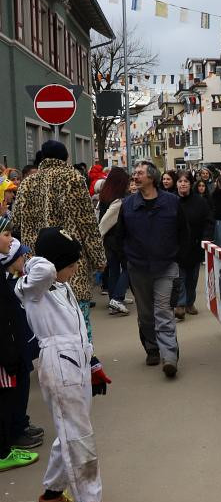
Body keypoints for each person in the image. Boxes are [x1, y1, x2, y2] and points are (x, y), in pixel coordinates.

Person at [15, 227, 127, 502]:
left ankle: (51, 498)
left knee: (70, 434)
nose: (77, 266)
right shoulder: (36, 285)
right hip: (58, 368)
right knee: (78, 439)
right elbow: (45, 267)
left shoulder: (60, 286)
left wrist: (91, 363)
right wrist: (47, 252)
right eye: (73, 261)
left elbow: (76, 331)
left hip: (73, 366)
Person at [11, 140, 106, 339]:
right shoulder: (73, 178)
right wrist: (99, 259)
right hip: (69, 261)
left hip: (36, 262)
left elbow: (16, 222)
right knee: (78, 318)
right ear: (65, 158)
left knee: (48, 322)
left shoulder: (28, 182)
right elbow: (86, 222)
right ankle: (84, 360)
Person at [116, 161, 188, 377]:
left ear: (151, 178)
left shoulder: (172, 202)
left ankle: (169, 356)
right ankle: (152, 348)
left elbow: (183, 232)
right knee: (146, 314)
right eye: (135, 173)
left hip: (166, 266)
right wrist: (127, 260)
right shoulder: (128, 205)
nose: (135, 176)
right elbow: (119, 237)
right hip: (138, 267)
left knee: (163, 311)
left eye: (140, 173)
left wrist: (178, 259)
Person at [0, 220, 40, 472]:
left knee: (13, 392)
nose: (9, 237)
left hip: (11, 345)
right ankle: (5, 447)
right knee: (6, 396)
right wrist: (8, 351)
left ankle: (13, 433)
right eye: (5, 234)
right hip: (5, 349)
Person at [175, 171, 214, 318]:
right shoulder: (172, 201)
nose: (183, 184)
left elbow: (209, 221)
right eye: (180, 181)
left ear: (191, 184)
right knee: (180, 277)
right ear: (177, 184)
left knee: (192, 278)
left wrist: (206, 238)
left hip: (196, 245)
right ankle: (180, 304)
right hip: (178, 247)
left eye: (186, 181)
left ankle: (190, 302)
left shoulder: (200, 202)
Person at [97, 167, 132, 315]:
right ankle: (117, 298)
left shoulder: (105, 196)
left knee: (113, 269)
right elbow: (106, 222)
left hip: (108, 240)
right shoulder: (118, 200)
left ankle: (115, 298)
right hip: (118, 239)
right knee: (129, 267)